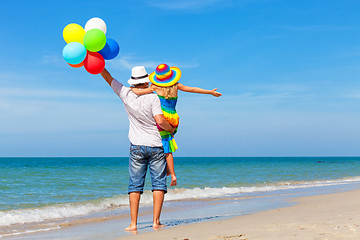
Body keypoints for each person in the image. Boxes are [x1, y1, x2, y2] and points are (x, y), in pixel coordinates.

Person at [100, 66, 176, 231]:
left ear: (133, 81)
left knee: (135, 185)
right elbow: (160, 121)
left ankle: (133, 224)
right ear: (146, 80)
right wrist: (170, 129)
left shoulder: (125, 93)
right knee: (158, 184)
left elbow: (107, 77)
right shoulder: (153, 97)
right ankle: (156, 222)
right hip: (156, 146)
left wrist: (99, 64)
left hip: (136, 146)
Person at [131, 63, 222, 187]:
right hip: (173, 118)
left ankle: (172, 174)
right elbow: (193, 89)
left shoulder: (155, 87)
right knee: (167, 143)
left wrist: (132, 88)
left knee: (165, 147)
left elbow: (139, 92)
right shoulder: (176, 86)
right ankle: (168, 170)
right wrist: (210, 92)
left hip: (162, 118)